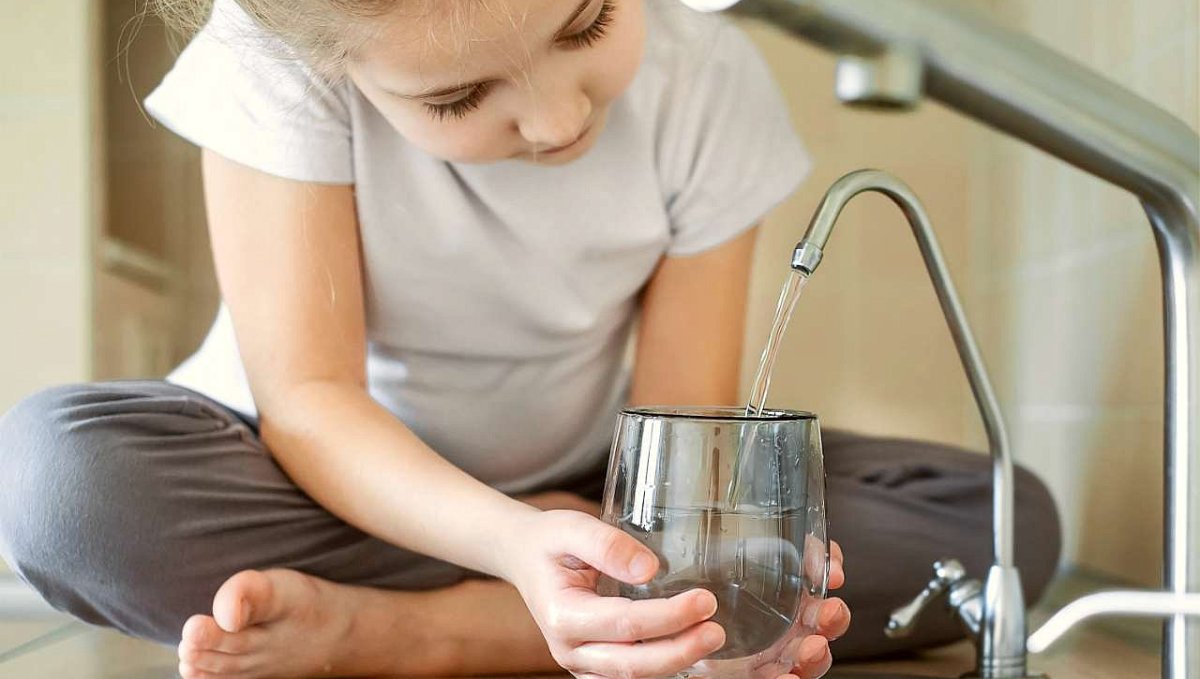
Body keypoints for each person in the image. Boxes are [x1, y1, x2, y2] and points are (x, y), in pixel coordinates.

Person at [0, 0, 1061, 678]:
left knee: (1006, 525)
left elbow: (683, 434)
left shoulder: (707, 78)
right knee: (64, 486)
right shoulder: (272, 58)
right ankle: (573, 618)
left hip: (598, 489)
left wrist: (669, 550)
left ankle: (419, 632)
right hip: (306, 480)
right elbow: (311, 402)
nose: (558, 123)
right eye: (460, 95)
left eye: (587, 23)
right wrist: (513, 538)